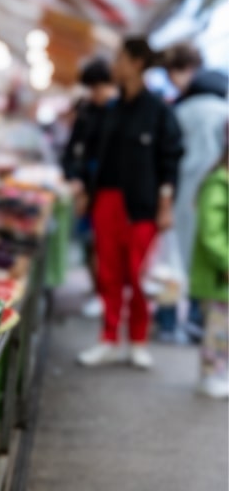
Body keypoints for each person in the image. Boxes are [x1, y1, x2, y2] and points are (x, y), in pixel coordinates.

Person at [77, 37, 184, 369]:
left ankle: (138, 340)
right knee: (108, 273)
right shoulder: (110, 110)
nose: (115, 65)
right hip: (106, 200)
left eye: (120, 59)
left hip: (143, 206)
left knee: (139, 276)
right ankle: (108, 338)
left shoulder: (159, 111)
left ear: (136, 63)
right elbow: (91, 154)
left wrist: (165, 205)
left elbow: (170, 161)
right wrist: (85, 190)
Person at [158, 43, 229, 343]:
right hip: (213, 192)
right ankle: (201, 323)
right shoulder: (223, 111)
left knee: (171, 262)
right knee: (204, 260)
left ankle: (168, 323)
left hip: (179, 196)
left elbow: (167, 156)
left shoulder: (179, 111)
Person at [62, 58, 117, 319]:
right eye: (92, 88)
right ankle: (99, 290)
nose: (96, 94)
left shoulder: (118, 112)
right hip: (87, 188)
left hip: (107, 191)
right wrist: (76, 180)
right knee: (90, 245)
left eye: (99, 87)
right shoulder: (87, 113)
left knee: (102, 246)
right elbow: (72, 151)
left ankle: (105, 294)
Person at [191, 145, 228, 399]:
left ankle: (218, 373)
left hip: (221, 272)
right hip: (218, 274)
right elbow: (210, 233)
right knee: (218, 329)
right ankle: (210, 374)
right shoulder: (217, 185)